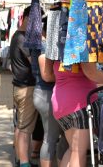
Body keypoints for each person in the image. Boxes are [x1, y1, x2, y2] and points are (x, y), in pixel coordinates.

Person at [42, 58, 103, 167]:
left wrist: (67, 76)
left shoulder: (55, 43)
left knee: (73, 149)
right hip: (79, 103)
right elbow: (91, 73)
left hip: (60, 102)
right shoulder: (81, 42)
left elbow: (47, 75)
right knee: (78, 152)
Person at [10, 6, 38, 167]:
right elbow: (33, 62)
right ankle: (24, 163)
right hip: (26, 88)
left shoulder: (16, 36)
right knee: (25, 129)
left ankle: (20, 159)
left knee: (20, 126)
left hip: (19, 86)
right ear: (27, 18)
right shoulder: (23, 38)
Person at [34, 18, 62, 167]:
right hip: (46, 94)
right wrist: (66, 77)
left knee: (60, 137)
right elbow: (47, 76)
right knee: (50, 137)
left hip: (47, 94)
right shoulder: (46, 48)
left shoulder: (50, 46)